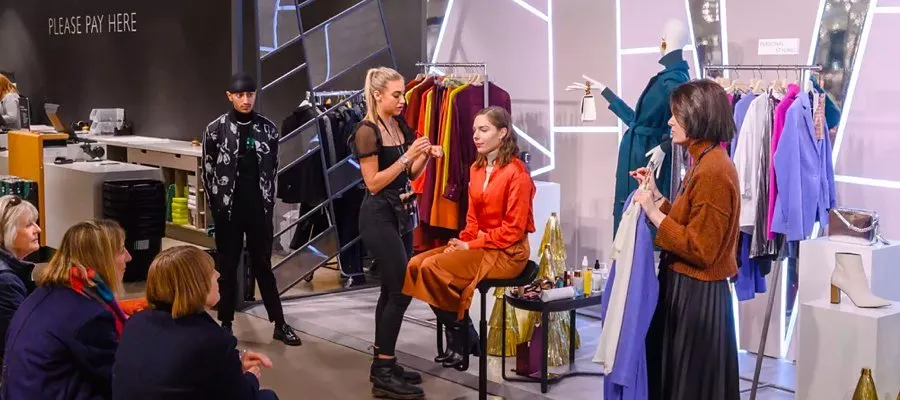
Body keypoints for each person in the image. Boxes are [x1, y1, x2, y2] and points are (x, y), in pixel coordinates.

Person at [630, 79, 740, 400]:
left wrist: (652, 211)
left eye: (676, 114)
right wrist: (658, 197)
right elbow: (690, 222)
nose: (669, 121)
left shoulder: (713, 171)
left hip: (697, 296)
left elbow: (700, 248)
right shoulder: (705, 161)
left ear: (696, 116)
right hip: (689, 291)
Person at [404, 106, 535, 371]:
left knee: (432, 268)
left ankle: (462, 336)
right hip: (480, 245)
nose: (476, 135)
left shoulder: (517, 174)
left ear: (503, 133)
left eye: (484, 130)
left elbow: (513, 230)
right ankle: (464, 335)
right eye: (475, 130)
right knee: (415, 266)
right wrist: (460, 243)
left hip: (508, 253)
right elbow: (472, 219)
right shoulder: (476, 169)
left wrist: (469, 245)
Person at [351, 66, 440, 400]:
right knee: (401, 289)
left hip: (401, 214)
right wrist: (406, 157)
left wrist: (425, 156)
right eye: (397, 94)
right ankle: (384, 370)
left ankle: (383, 362)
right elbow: (373, 183)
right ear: (377, 95)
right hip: (378, 217)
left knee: (392, 290)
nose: (403, 100)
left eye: (402, 93)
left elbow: (411, 174)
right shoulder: (366, 131)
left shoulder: (399, 125)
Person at [202, 73, 301, 346]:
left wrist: (268, 204)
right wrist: (217, 208)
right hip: (228, 211)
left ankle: (279, 323)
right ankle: (225, 322)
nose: (246, 100)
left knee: (263, 266)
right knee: (228, 264)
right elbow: (207, 171)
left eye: (250, 95)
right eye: (240, 95)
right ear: (230, 96)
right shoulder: (215, 129)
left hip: (259, 209)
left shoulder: (268, 129)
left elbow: (273, 168)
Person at [113, 246, 279, 400]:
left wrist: (235, 360)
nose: (218, 275)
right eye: (211, 272)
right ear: (196, 285)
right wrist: (251, 377)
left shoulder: (136, 322)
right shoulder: (211, 340)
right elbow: (242, 395)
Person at [2, 219, 131, 400]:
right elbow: (118, 379)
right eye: (121, 251)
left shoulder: (46, 292)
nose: (128, 257)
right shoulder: (90, 315)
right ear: (103, 260)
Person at [0, 195, 40, 365]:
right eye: (29, 225)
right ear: (7, 233)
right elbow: (20, 340)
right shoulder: (6, 281)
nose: (37, 229)